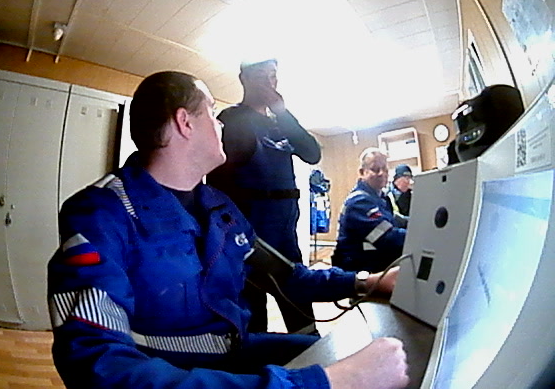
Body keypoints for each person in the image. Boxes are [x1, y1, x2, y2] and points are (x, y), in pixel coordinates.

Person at [47, 71, 409, 389]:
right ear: (185, 122)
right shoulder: (101, 213)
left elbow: (288, 277)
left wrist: (367, 282)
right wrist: (322, 383)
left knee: (349, 351)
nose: (220, 125)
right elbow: (98, 365)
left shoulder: (219, 207)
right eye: (211, 112)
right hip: (175, 373)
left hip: (233, 352)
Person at [207, 58, 321, 334]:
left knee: (300, 309)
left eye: (273, 75)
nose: (270, 82)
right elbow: (216, 180)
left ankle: (312, 351)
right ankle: (258, 356)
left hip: (285, 233)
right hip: (249, 232)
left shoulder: (280, 124)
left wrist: (282, 112)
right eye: (261, 75)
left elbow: (312, 153)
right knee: (253, 314)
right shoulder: (230, 120)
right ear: (244, 79)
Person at [331, 148, 407, 273]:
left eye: (385, 169)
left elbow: (395, 220)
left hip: (373, 266)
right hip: (358, 272)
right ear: (362, 172)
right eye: (375, 169)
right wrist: (418, 236)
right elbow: (387, 238)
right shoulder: (358, 202)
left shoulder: (381, 197)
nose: (382, 173)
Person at [385, 164, 414, 228]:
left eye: (410, 178)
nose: (410, 182)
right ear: (397, 179)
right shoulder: (387, 196)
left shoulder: (412, 193)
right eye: (406, 178)